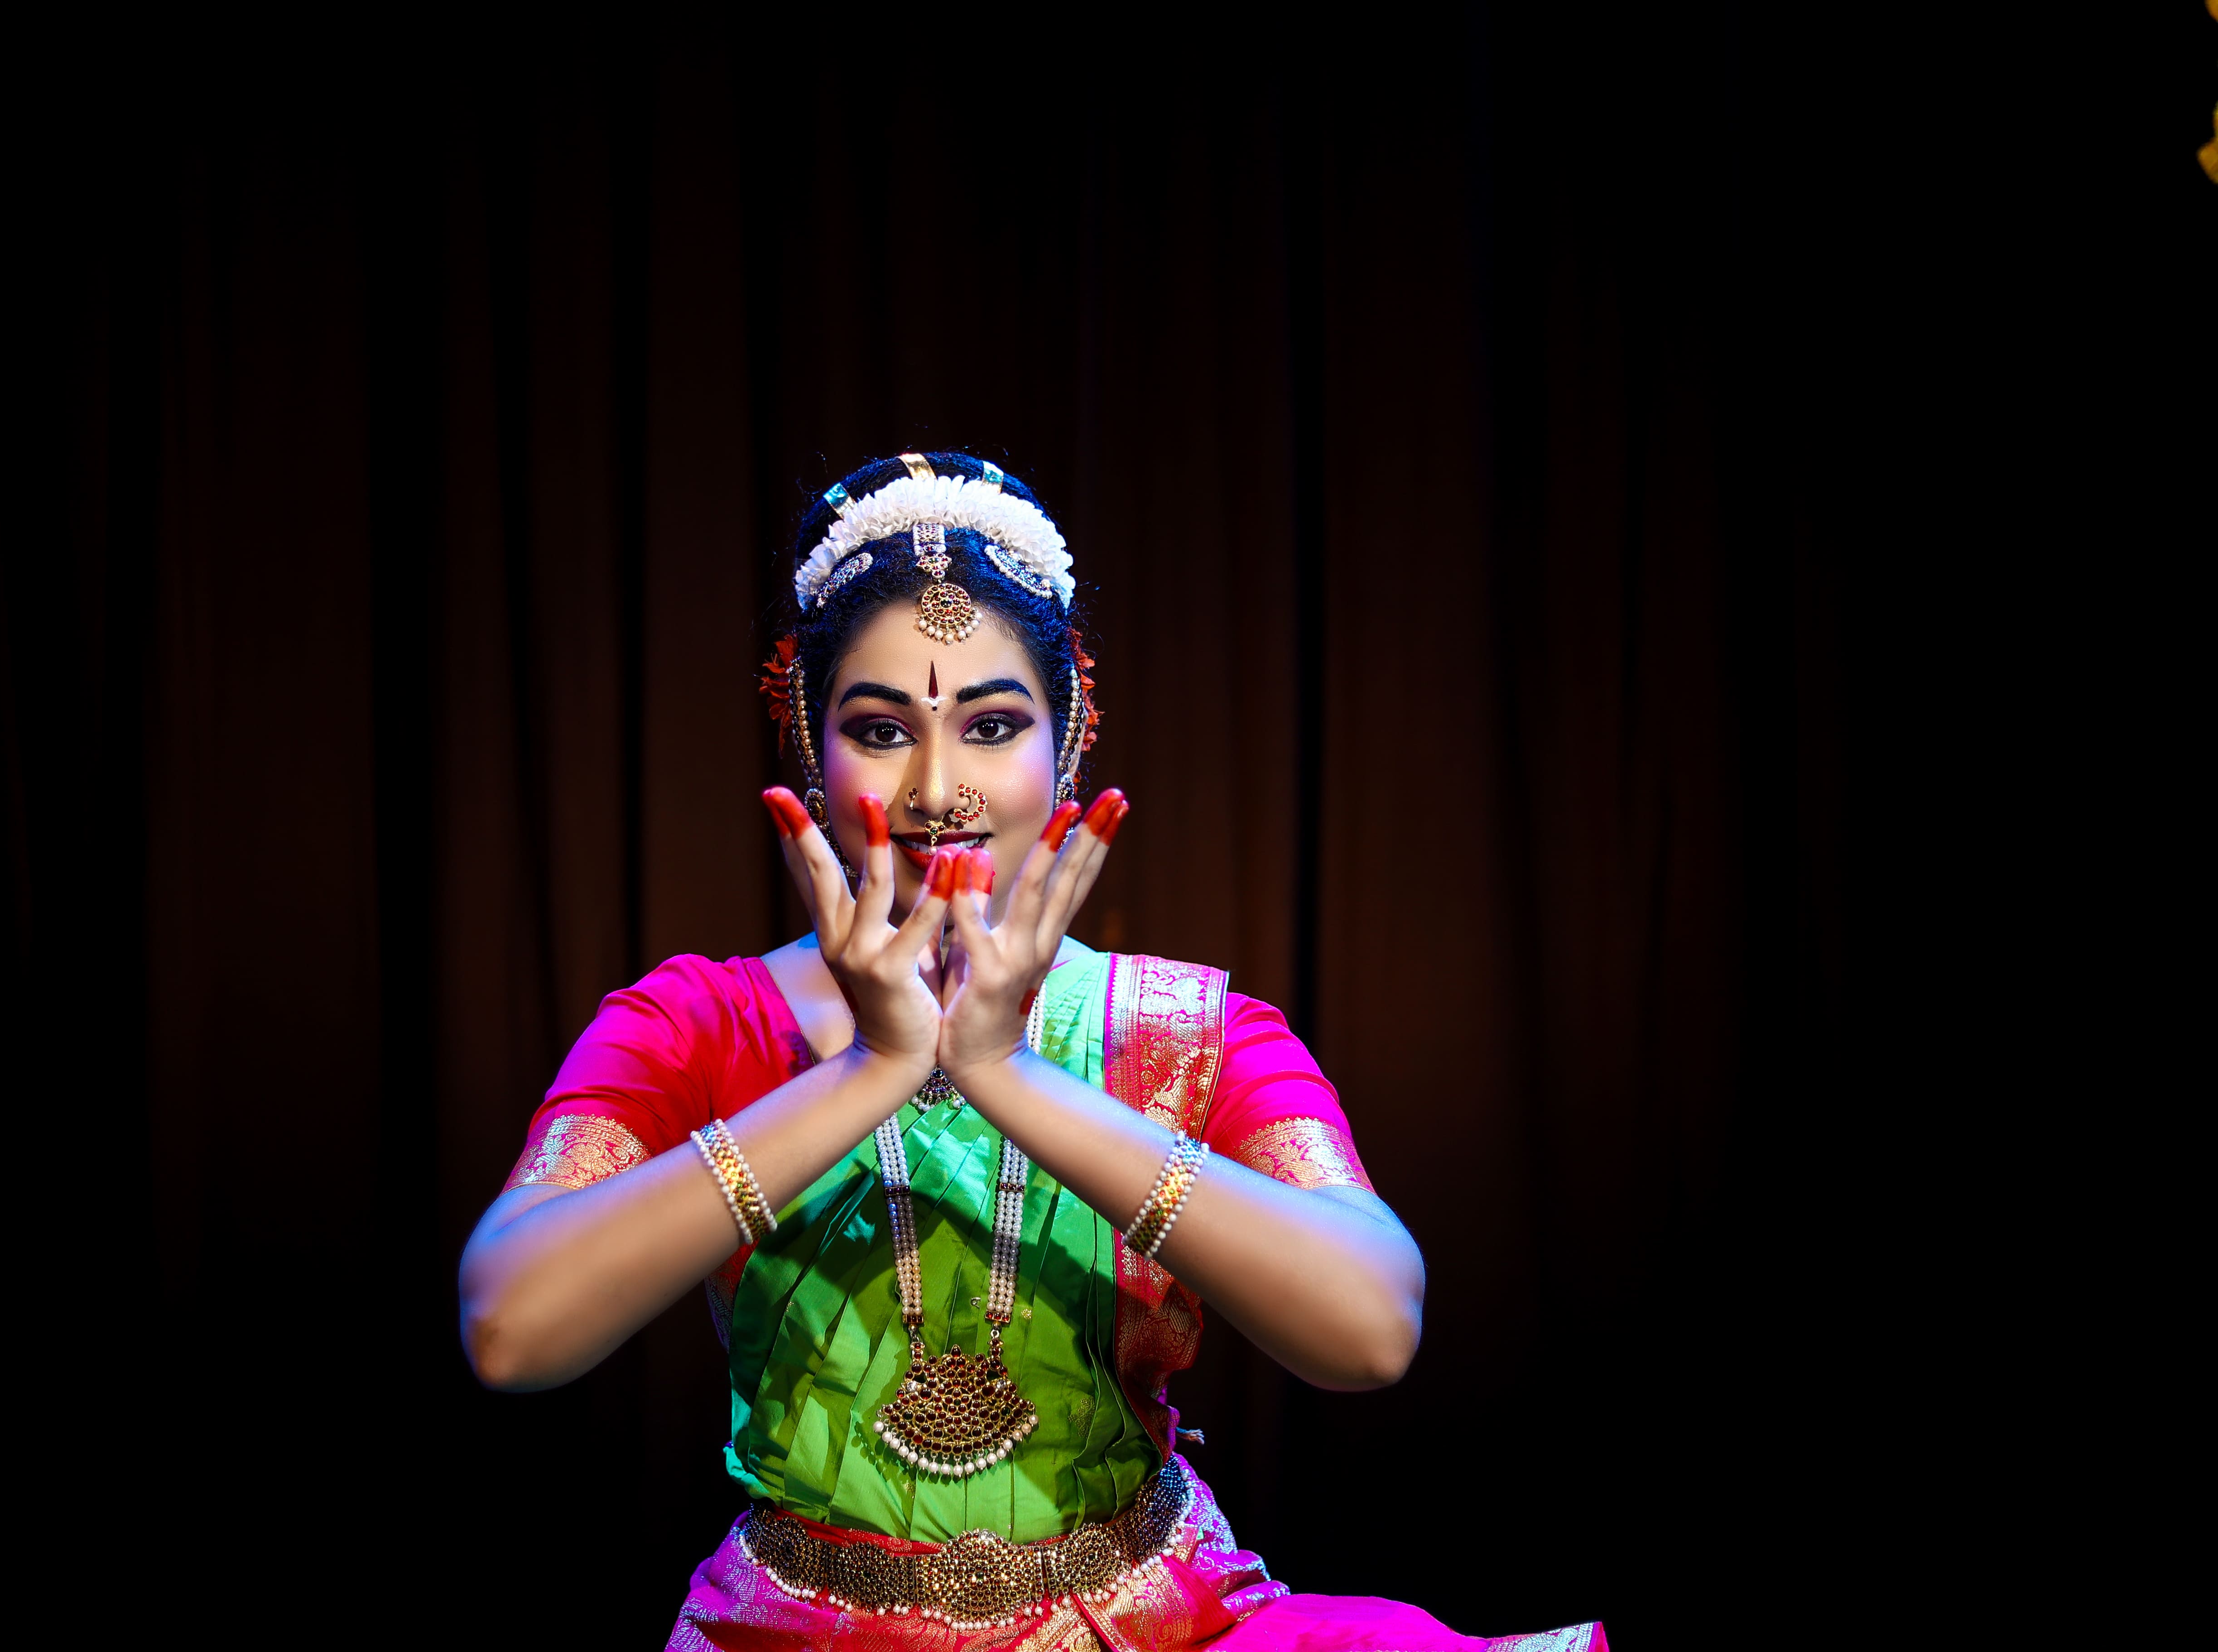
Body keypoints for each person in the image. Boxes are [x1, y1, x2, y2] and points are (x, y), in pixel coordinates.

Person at [458, 452, 1607, 1651]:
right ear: (813, 745)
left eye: (993, 726)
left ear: (1070, 741)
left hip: (1162, 1626)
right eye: (883, 729)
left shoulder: (1188, 1031)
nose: (940, 789)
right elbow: (512, 1328)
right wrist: (870, 1073)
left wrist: (1011, 1075)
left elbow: (1372, 1326)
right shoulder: (697, 1023)